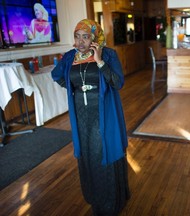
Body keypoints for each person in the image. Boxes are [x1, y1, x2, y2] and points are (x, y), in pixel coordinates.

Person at [51, 19, 130, 215]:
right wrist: (75, 88)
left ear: (94, 37)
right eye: (77, 37)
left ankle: (112, 200)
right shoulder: (70, 57)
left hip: (104, 112)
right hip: (81, 115)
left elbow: (118, 82)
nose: (80, 42)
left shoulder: (109, 54)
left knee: (104, 150)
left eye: (85, 37)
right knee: (88, 153)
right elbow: (57, 75)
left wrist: (100, 61)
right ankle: (94, 196)